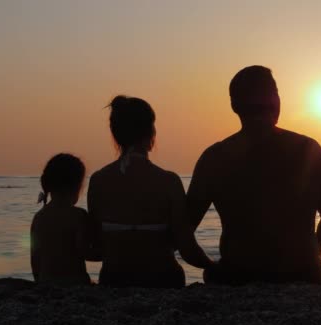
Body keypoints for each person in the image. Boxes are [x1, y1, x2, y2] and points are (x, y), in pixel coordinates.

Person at [187, 66, 321, 285]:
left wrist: (209, 265)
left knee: (214, 275)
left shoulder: (215, 157)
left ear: (234, 106)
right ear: (276, 101)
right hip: (304, 275)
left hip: (239, 275)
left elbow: (185, 228)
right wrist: (314, 250)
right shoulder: (309, 149)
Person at [88, 95, 213, 288]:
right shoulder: (168, 182)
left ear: (115, 134)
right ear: (151, 132)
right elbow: (187, 248)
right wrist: (214, 266)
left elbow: (97, 247)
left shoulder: (98, 181)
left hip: (113, 282)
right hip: (162, 280)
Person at [30, 153, 98, 284]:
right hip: (74, 285)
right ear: (77, 187)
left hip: (46, 285)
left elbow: (35, 260)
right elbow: (85, 252)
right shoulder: (78, 215)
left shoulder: (39, 217)